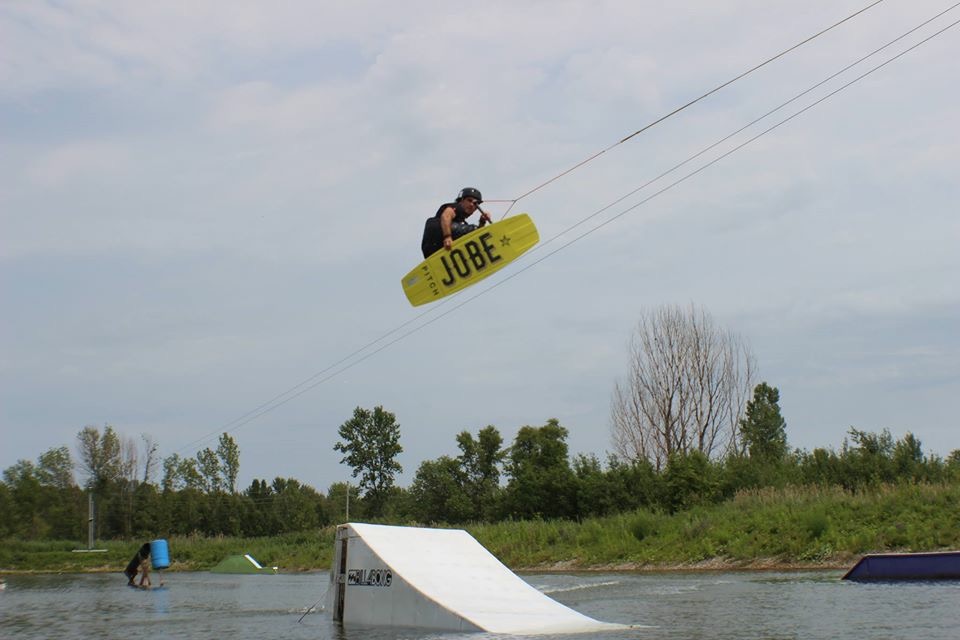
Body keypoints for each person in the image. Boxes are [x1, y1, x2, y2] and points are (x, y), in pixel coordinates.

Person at [421, 187, 493, 259]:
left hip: (431, 249)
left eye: (475, 204)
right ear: (461, 200)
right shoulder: (457, 207)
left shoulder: (461, 222)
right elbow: (446, 215)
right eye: (469, 200)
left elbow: (475, 237)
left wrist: (482, 222)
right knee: (473, 229)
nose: (472, 205)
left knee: (471, 234)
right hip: (436, 233)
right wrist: (447, 237)